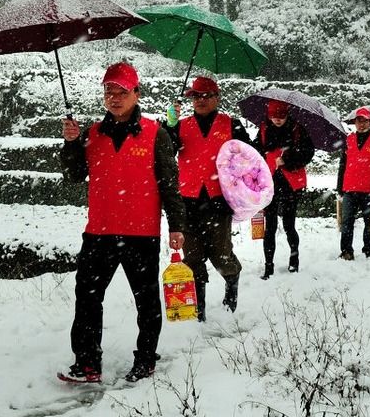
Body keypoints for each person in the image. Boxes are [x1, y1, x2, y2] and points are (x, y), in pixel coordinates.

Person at [59, 62, 186, 384]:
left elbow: (169, 182)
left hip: (141, 233)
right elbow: (73, 176)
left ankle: (145, 359)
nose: (114, 98)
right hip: (98, 231)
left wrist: (176, 225)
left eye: (121, 92)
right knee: (87, 297)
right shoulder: (92, 134)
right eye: (109, 92)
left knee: (145, 300)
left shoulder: (155, 133)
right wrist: (72, 144)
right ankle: (87, 363)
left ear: (136, 93)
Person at [165, 75, 250, 320]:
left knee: (221, 253)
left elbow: (248, 156)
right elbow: (166, 150)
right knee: (192, 257)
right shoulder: (181, 125)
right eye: (196, 96)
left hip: (218, 200)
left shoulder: (231, 125)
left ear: (216, 98)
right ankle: (198, 310)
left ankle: (231, 285)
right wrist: (169, 126)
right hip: (188, 200)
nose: (200, 101)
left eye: (205, 96)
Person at [252, 99, 314, 279]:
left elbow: (308, 152)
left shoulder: (297, 129)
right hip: (269, 182)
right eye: (273, 117)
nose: (277, 120)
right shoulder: (264, 129)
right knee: (269, 227)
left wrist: (288, 159)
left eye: (281, 117)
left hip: (290, 183)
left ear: (287, 115)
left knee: (289, 224)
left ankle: (294, 260)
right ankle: (268, 266)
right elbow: (255, 151)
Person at [336, 107, 370, 260]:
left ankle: (368, 250)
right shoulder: (348, 139)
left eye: (365, 121)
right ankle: (346, 251)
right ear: (355, 122)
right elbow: (342, 164)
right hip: (350, 187)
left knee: (369, 223)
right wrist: (339, 186)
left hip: (369, 188)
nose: (361, 124)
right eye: (359, 121)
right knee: (347, 222)